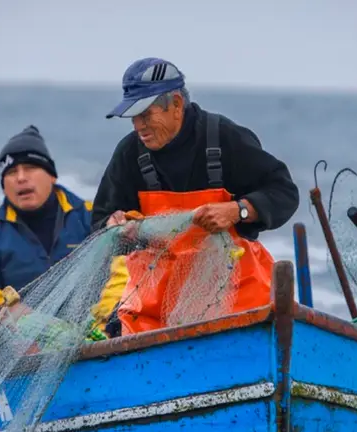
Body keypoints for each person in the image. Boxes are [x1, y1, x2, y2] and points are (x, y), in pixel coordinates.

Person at [90, 57, 299, 336]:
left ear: (176, 104)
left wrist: (239, 211)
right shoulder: (129, 154)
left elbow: (284, 191)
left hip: (237, 294)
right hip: (155, 305)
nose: (139, 126)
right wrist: (113, 226)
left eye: (146, 114)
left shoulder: (223, 137)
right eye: (133, 116)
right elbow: (101, 221)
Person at [0, 125, 92, 323]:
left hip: (94, 333)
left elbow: (121, 274)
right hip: (19, 340)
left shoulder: (93, 216)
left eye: (30, 168)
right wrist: (11, 312)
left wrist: (101, 321)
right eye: (11, 172)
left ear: (52, 175)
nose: (21, 178)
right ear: (3, 186)